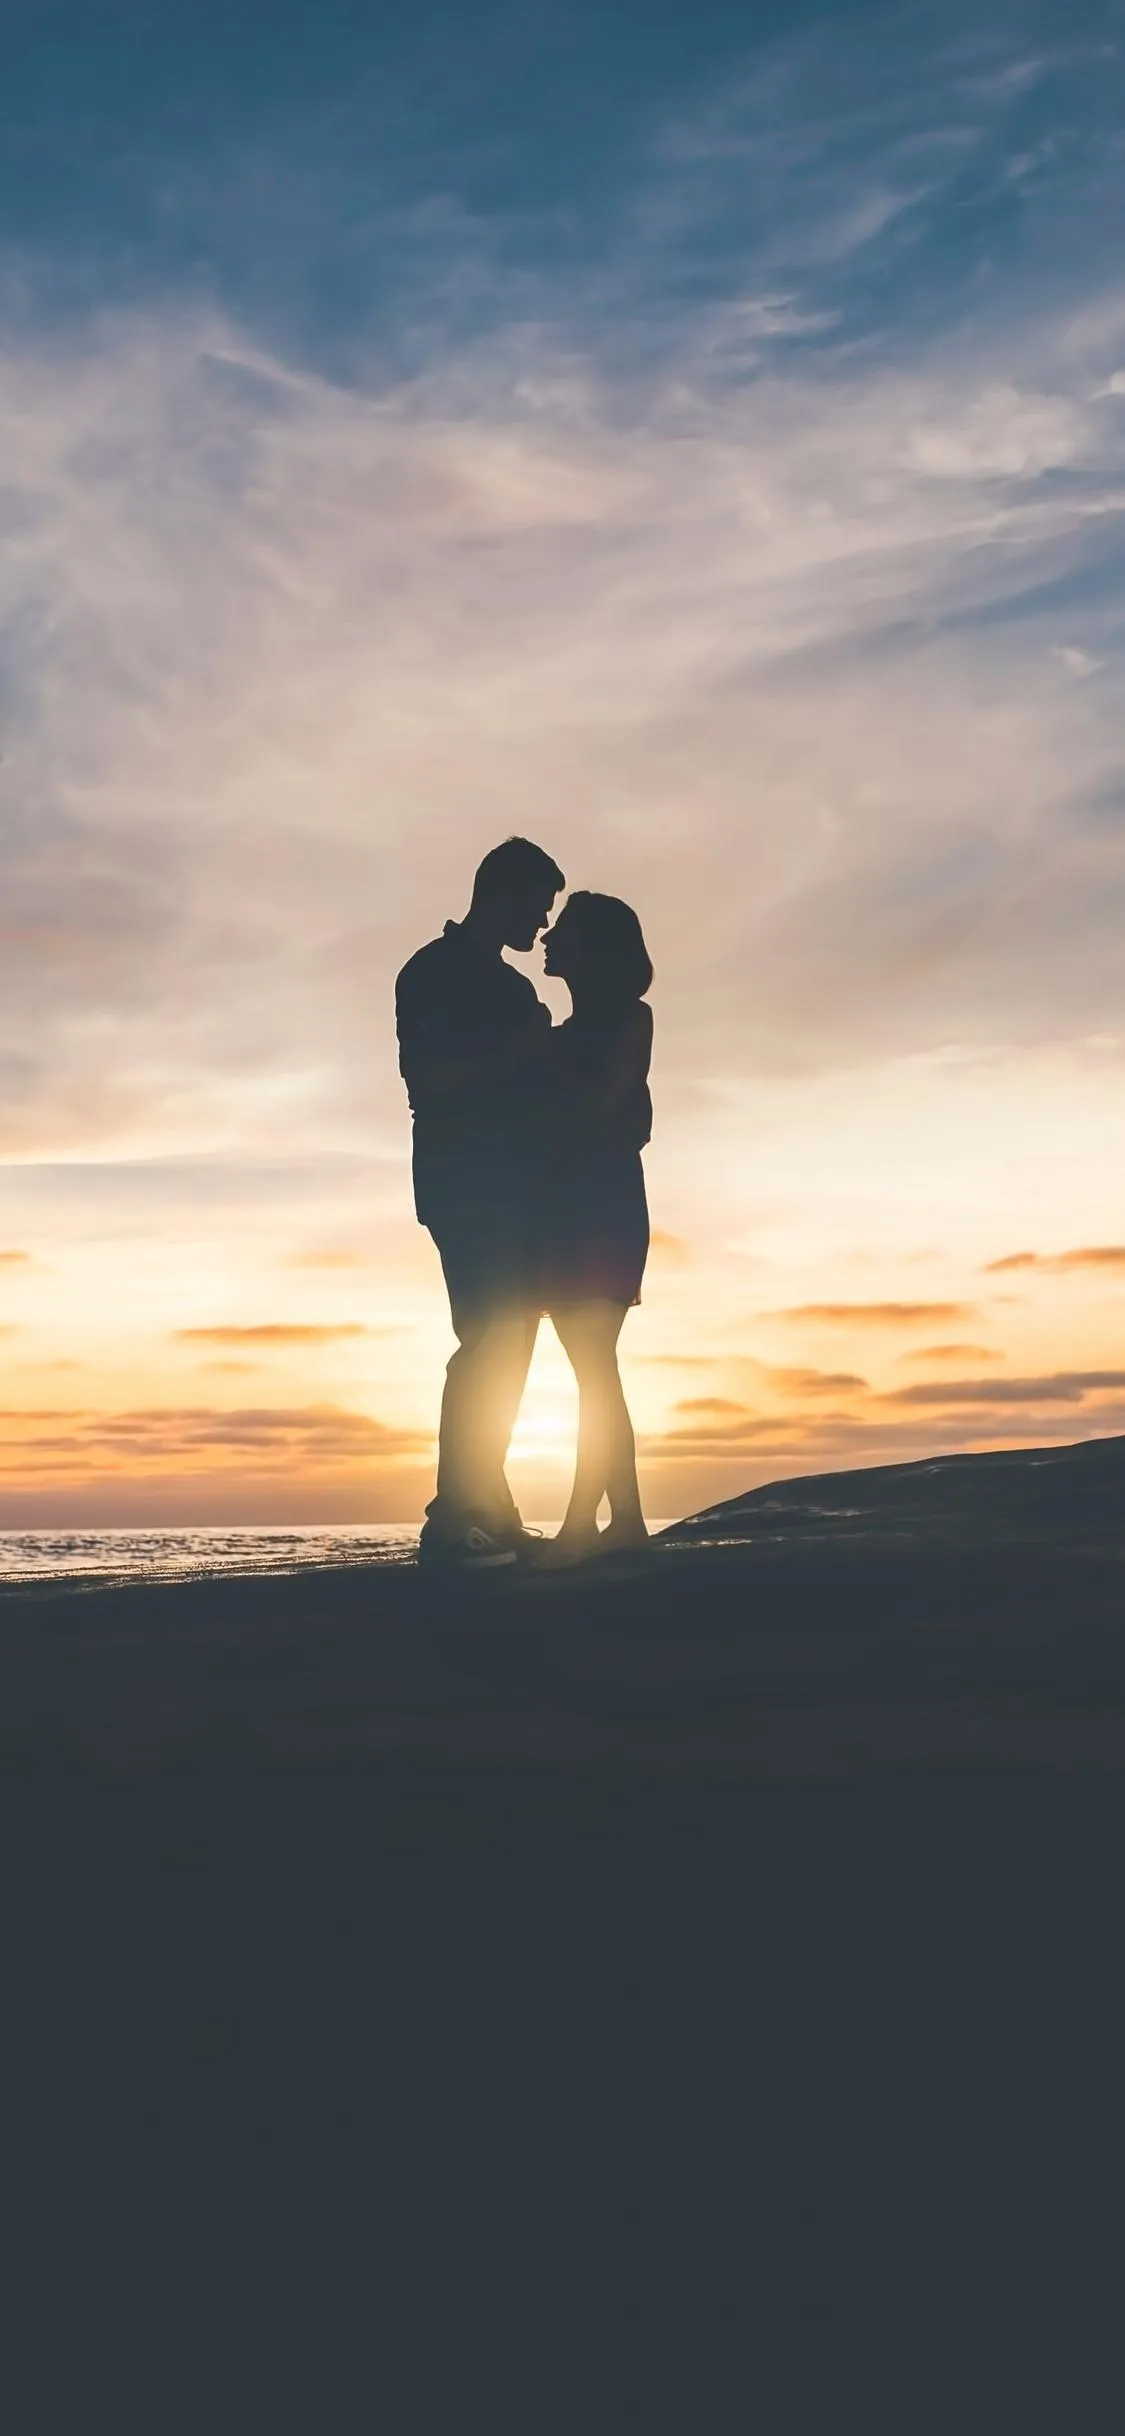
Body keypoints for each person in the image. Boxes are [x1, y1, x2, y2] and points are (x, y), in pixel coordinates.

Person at [396, 837, 564, 1569]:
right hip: (465, 1183)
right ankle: (455, 1515)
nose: (544, 924)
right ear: (503, 892)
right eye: (539, 904)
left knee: (510, 1342)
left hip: (513, 1187)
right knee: (487, 1338)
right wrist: (525, 1056)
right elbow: (429, 1084)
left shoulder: (511, 986)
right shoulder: (432, 973)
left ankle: (488, 1510)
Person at [537, 891, 654, 1564]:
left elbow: (601, 1105)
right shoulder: (552, 1035)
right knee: (593, 1369)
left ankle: (589, 1521)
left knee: (593, 1368)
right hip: (564, 1209)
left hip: (599, 1209)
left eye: (565, 930)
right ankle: (623, 1519)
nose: (548, 938)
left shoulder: (627, 1020)